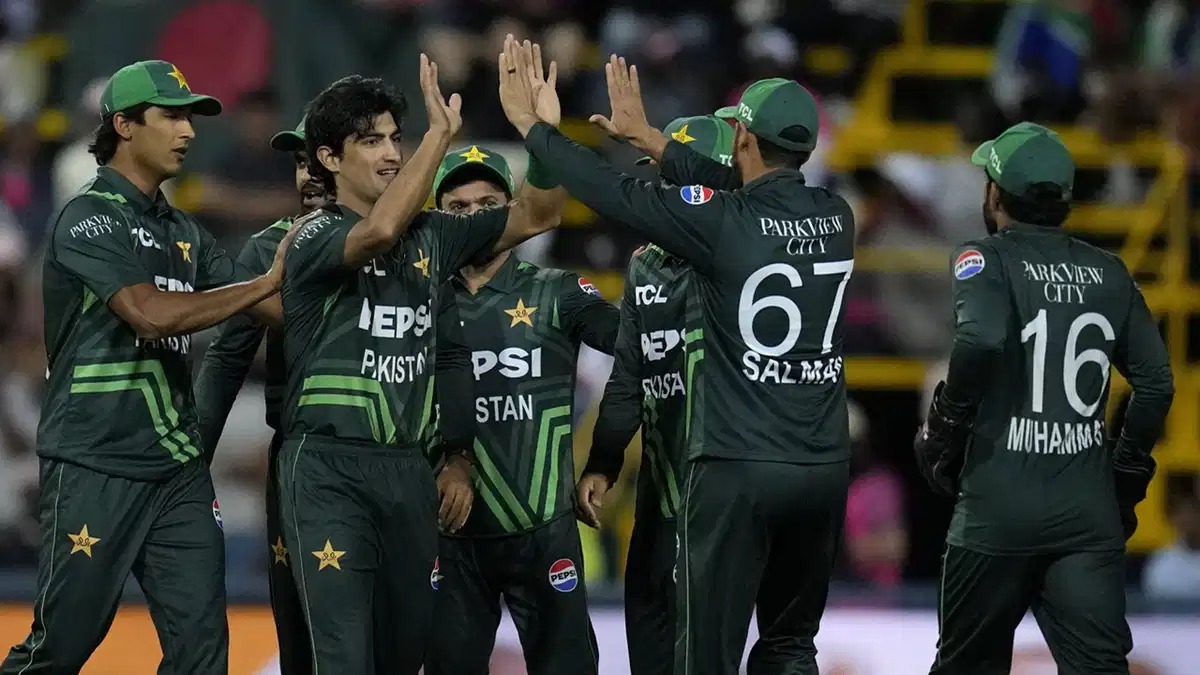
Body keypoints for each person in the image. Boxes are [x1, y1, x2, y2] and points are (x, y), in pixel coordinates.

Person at [518, 55, 856, 674]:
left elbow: (614, 192)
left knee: (705, 656)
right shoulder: (837, 216)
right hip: (823, 467)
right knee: (789, 646)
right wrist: (653, 140)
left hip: (736, 464)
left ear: (743, 138)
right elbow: (734, 183)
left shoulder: (719, 226)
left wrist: (538, 132)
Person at [277, 40, 566, 673]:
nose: (391, 152)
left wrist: (540, 134)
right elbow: (378, 230)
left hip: (408, 471)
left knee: (404, 658)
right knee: (344, 658)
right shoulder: (312, 236)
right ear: (327, 159)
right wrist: (439, 137)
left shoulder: (436, 234)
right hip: (328, 471)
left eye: (394, 138)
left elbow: (542, 212)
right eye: (370, 141)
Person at [2, 59, 295, 674]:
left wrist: (329, 255)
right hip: (95, 462)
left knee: (202, 654)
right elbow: (150, 314)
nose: (188, 131)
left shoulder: (184, 231)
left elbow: (269, 306)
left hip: (175, 470)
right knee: (61, 647)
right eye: (171, 117)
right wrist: (261, 283)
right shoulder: (87, 217)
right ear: (124, 125)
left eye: (191, 118)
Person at [914, 122, 1175, 674]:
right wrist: (1126, 473)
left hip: (996, 508)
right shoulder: (1109, 272)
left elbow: (980, 339)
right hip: (1085, 514)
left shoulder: (984, 259)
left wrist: (945, 423)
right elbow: (1156, 384)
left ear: (996, 193)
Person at [425, 142, 618, 674]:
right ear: (437, 218)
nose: (474, 217)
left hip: (544, 533)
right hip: (452, 536)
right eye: (458, 208)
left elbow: (631, 343)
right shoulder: (417, 300)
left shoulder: (559, 291)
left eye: (488, 204)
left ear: (512, 211)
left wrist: (604, 460)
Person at [575, 114, 733, 675]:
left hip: (721, 502)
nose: (667, 194)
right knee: (649, 647)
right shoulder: (646, 265)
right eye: (662, 179)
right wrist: (603, 461)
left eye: (679, 180)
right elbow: (627, 377)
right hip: (660, 497)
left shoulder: (741, 257)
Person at [192, 114, 327, 674]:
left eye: (320, 158)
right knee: (302, 637)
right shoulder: (270, 247)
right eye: (299, 162)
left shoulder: (407, 243)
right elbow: (226, 358)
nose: (309, 174)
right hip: (301, 458)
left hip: (397, 465)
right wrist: (188, 464)